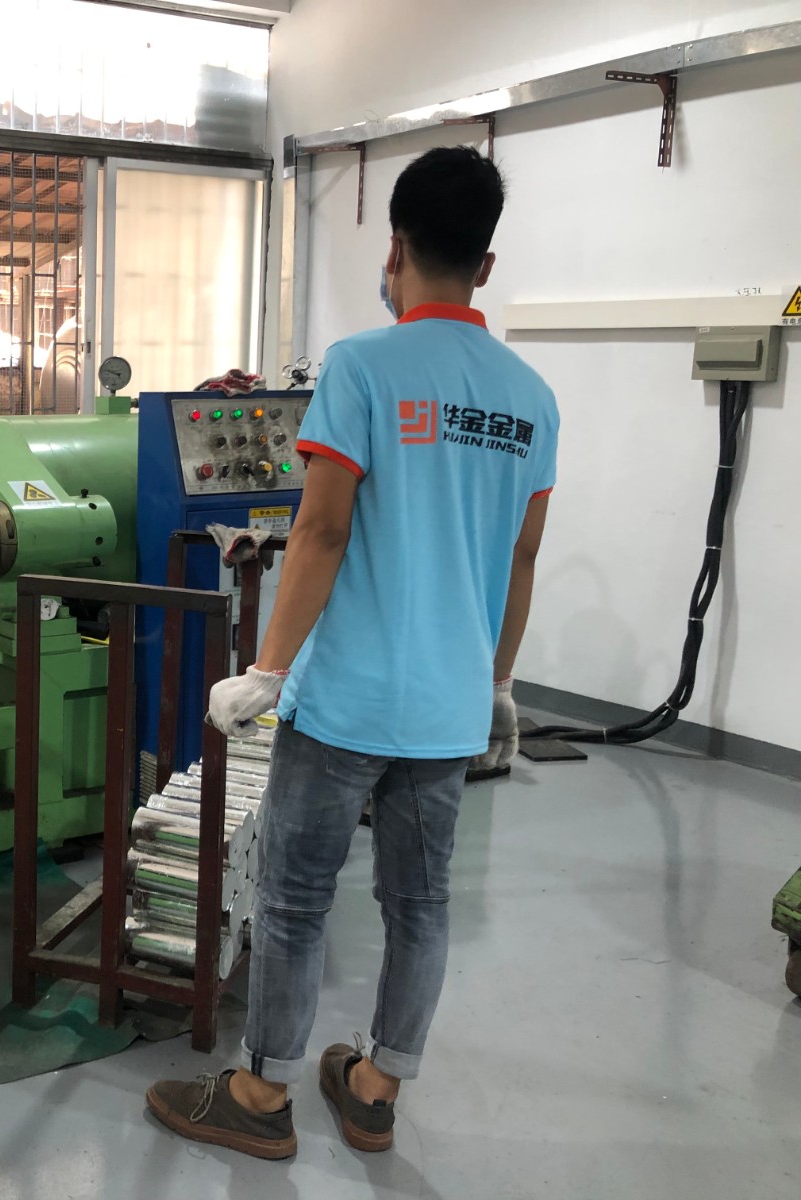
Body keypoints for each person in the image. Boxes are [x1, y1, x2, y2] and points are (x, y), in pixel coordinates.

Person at [145, 146, 559, 1160]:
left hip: (347, 703)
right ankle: (375, 1089)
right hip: (449, 707)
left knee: (295, 899)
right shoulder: (532, 398)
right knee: (420, 904)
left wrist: (266, 669)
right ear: (487, 265)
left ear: (394, 249)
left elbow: (322, 530)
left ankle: (259, 1096)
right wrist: (500, 683)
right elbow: (521, 558)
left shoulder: (363, 368)